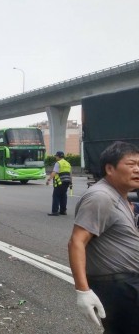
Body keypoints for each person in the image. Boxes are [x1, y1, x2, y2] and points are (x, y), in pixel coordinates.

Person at [68, 141, 139, 333]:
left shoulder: (120, 195)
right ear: (110, 168)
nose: (137, 170)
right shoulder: (101, 196)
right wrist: (82, 291)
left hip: (127, 283)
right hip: (117, 286)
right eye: (131, 165)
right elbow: (77, 241)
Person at [46, 151, 72, 216]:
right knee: (63, 196)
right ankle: (63, 211)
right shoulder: (68, 163)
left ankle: (55, 211)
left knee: (56, 196)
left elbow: (54, 172)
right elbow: (70, 174)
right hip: (67, 182)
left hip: (60, 182)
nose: (55, 157)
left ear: (59, 156)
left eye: (56, 156)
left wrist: (49, 179)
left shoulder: (58, 163)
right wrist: (71, 183)